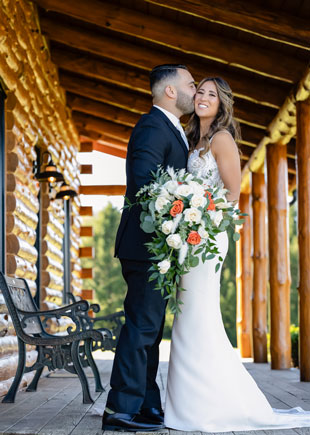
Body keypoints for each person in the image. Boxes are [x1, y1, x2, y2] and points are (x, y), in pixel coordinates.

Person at [164, 77, 310, 432]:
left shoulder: (222, 139)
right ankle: (186, 402)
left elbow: (232, 195)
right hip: (187, 236)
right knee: (188, 317)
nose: (202, 97)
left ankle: (204, 405)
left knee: (197, 314)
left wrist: (201, 220)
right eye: (199, 91)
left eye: (211, 94)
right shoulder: (191, 139)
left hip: (208, 237)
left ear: (221, 103)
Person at [102, 64, 196, 432]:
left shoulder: (172, 129)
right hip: (146, 245)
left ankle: (145, 405)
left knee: (150, 330)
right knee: (141, 327)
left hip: (159, 246)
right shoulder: (152, 127)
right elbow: (145, 182)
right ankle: (119, 410)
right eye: (190, 84)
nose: (195, 90)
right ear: (170, 91)